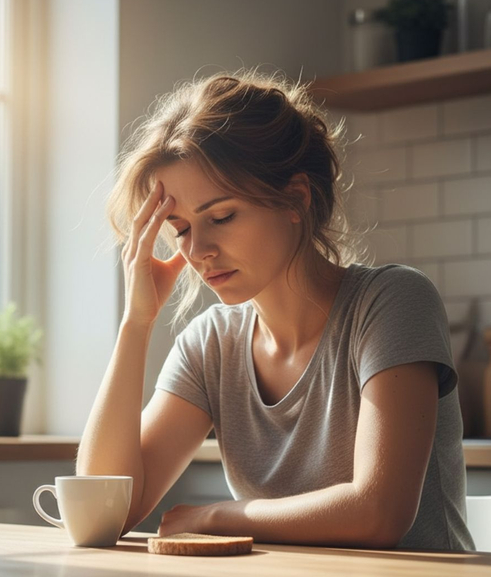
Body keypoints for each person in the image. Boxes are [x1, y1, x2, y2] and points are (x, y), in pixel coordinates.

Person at [76, 68, 475, 551]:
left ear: (295, 197)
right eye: (180, 228)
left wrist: (217, 516)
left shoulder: (391, 302)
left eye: (221, 217)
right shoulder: (211, 344)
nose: (196, 249)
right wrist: (135, 324)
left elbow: (379, 513)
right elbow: (100, 515)